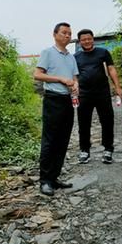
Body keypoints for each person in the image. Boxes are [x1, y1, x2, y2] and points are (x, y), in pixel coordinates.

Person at [33, 22, 79, 196]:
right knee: (50, 140)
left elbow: (74, 77)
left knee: (63, 139)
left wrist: (76, 86)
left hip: (68, 100)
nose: (67, 36)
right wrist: (60, 79)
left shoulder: (71, 57)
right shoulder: (48, 52)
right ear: (55, 34)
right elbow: (37, 74)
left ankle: (54, 177)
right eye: (64, 32)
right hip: (53, 99)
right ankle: (45, 181)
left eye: (69, 33)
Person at [74, 29, 122, 164]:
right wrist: (74, 89)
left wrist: (118, 87)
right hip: (84, 94)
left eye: (89, 39)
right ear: (80, 42)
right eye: (83, 40)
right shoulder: (76, 57)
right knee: (84, 123)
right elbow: (74, 75)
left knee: (107, 121)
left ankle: (108, 149)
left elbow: (111, 69)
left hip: (102, 93)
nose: (87, 41)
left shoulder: (103, 52)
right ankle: (84, 150)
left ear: (93, 39)